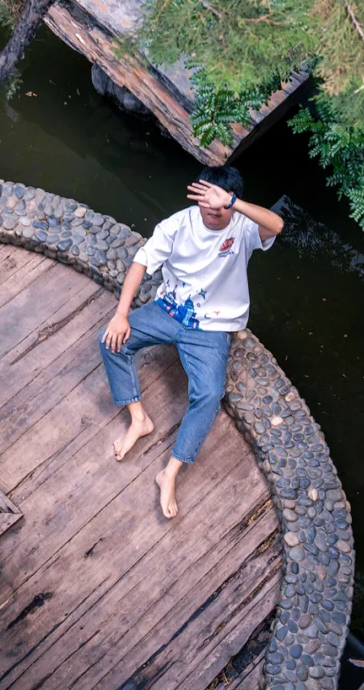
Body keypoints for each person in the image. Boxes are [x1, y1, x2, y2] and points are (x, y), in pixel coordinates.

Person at [99, 166, 284, 518]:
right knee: (111, 340)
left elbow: (276, 225)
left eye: (221, 206)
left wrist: (234, 204)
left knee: (210, 393)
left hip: (212, 327)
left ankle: (169, 472)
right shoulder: (178, 224)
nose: (213, 212)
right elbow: (141, 262)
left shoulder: (244, 226)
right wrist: (121, 313)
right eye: (206, 203)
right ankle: (139, 419)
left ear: (232, 202)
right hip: (169, 310)